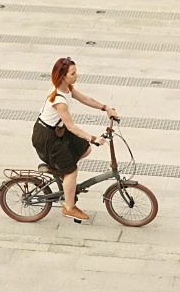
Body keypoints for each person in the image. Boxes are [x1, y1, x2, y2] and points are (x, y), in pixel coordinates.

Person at [31, 57, 119, 220]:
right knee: (72, 171)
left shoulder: (67, 88)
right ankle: (69, 207)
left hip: (58, 131)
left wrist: (106, 108)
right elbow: (71, 127)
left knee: (85, 149)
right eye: (73, 73)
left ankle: (63, 174)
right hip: (47, 137)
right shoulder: (59, 100)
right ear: (63, 76)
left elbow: (85, 99)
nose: (76, 75)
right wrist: (92, 137)